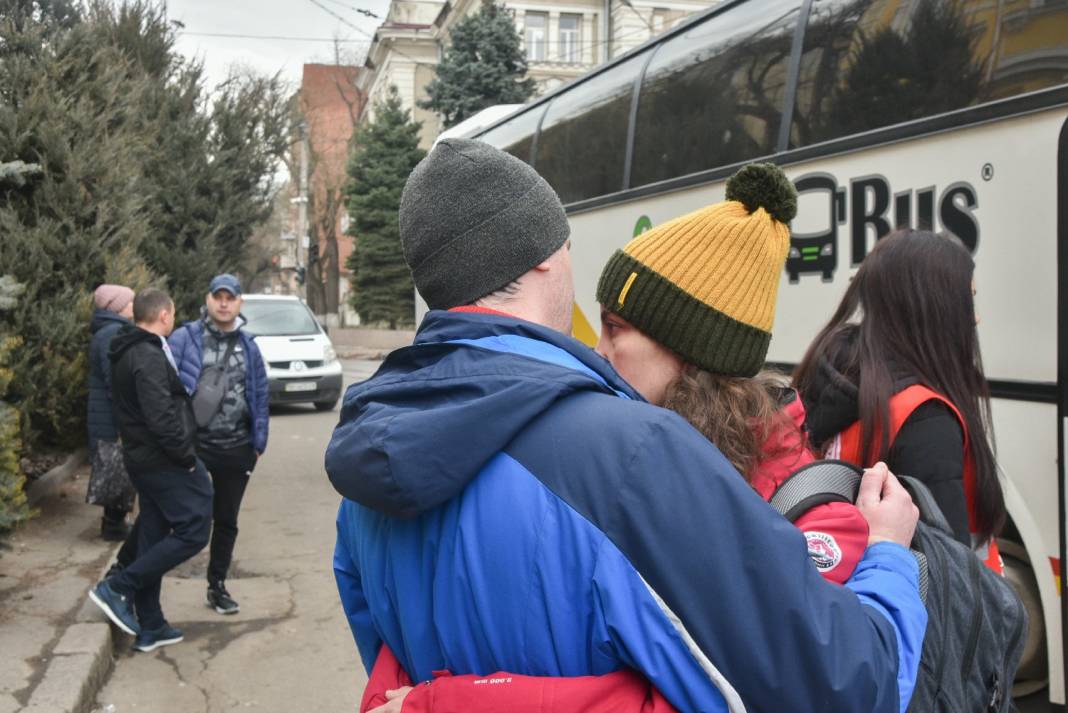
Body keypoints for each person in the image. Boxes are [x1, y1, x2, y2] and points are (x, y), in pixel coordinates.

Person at [327, 140, 926, 713]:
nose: (606, 344)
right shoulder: (635, 456)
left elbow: (390, 672)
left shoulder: (370, 455)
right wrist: (892, 558)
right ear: (544, 256)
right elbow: (846, 688)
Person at [795, 229, 1007, 570]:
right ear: (933, 309)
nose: (976, 318)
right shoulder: (926, 420)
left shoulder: (834, 380)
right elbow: (947, 580)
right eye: (968, 301)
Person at [88, 288, 212, 652]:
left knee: (153, 535)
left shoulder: (131, 348)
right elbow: (160, 417)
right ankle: (117, 587)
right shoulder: (146, 354)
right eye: (172, 314)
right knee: (194, 528)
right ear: (164, 315)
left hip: (144, 458)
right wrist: (186, 457)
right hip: (162, 460)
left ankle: (151, 624)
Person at [168, 273, 269, 615]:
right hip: (194, 446)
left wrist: (258, 443)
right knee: (181, 517)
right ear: (208, 300)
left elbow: (260, 394)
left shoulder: (249, 346)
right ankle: (144, 584)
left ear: (240, 302)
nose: (224, 303)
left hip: (237, 447)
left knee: (226, 520)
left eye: (230, 297)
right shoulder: (186, 338)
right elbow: (168, 387)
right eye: (218, 296)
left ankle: (217, 586)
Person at [86, 284, 138, 541]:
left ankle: (114, 521)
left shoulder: (110, 330)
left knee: (115, 463)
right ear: (118, 307)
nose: (134, 306)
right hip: (109, 411)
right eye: (130, 302)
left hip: (105, 410)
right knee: (117, 464)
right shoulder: (112, 333)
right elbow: (114, 378)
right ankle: (114, 525)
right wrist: (124, 415)